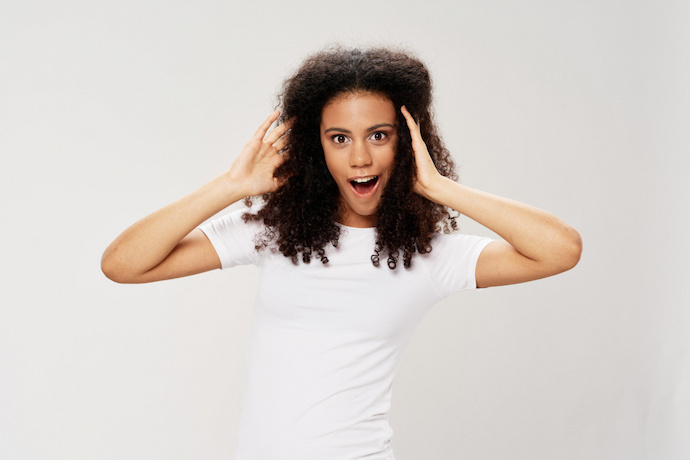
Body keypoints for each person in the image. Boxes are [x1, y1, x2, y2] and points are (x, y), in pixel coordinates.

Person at [102, 47, 582, 459]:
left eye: (379, 135)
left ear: (406, 143)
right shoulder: (275, 233)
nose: (359, 158)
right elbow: (123, 264)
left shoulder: (429, 255)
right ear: (318, 149)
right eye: (339, 139)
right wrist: (231, 187)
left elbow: (560, 250)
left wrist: (439, 186)